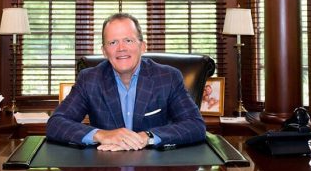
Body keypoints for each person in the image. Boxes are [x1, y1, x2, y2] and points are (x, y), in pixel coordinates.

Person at [46, 13, 206, 151]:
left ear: (142, 46)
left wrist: (147, 137)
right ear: (104, 51)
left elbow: (195, 125)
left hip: (157, 170)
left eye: (128, 40)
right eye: (113, 42)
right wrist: (101, 135)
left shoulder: (168, 77)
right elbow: (56, 123)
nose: (121, 48)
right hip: (105, 167)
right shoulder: (90, 79)